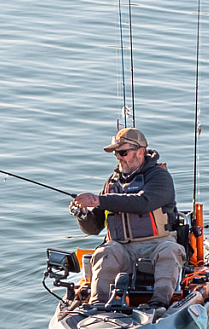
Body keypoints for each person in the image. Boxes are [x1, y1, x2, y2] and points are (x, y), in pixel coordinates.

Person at [72, 127, 186, 312]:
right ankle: (97, 306)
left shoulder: (160, 177)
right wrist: (83, 215)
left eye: (123, 152)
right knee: (104, 252)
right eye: (116, 153)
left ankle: (159, 304)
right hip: (121, 247)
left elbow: (143, 202)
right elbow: (94, 228)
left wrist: (97, 200)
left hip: (157, 244)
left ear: (140, 151)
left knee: (170, 251)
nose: (119, 157)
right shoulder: (111, 182)